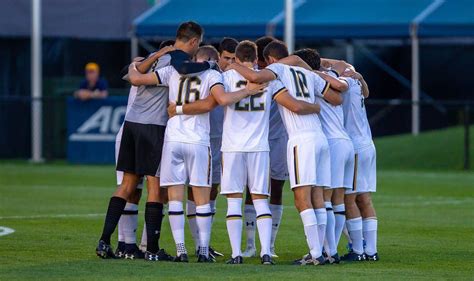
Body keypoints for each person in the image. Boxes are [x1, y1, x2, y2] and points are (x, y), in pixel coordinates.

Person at [95, 21, 215, 262]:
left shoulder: (153, 56)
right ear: (193, 42)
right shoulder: (179, 60)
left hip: (131, 124)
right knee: (154, 188)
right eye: (198, 44)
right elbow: (187, 69)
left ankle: (104, 240)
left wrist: (148, 59)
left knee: (127, 185)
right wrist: (212, 64)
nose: (197, 48)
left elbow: (133, 75)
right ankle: (152, 248)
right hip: (154, 127)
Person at [227, 40, 342, 265]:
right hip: (320, 139)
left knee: (302, 200)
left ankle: (316, 255)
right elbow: (337, 99)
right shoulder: (308, 74)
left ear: (270, 60)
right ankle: (328, 252)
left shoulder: (278, 71)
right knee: (318, 196)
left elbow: (258, 79)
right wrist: (317, 104)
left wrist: (233, 66)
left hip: (301, 139)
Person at [293, 49, 354, 264]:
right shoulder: (333, 77)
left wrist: (312, 69)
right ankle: (330, 250)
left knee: (324, 199)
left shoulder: (313, 80)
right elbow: (342, 65)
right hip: (345, 140)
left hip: (330, 142)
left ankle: (327, 251)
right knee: (335, 200)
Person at [185, 37, 239, 259]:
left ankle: (204, 243)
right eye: (227, 58)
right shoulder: (208, 74)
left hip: (221, 141)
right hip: (198, 137)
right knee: (192, 189)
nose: (230, 62)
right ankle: (198, 244)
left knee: (213, 189)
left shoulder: (234, 77)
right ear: (218, 57)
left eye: (234, 58)